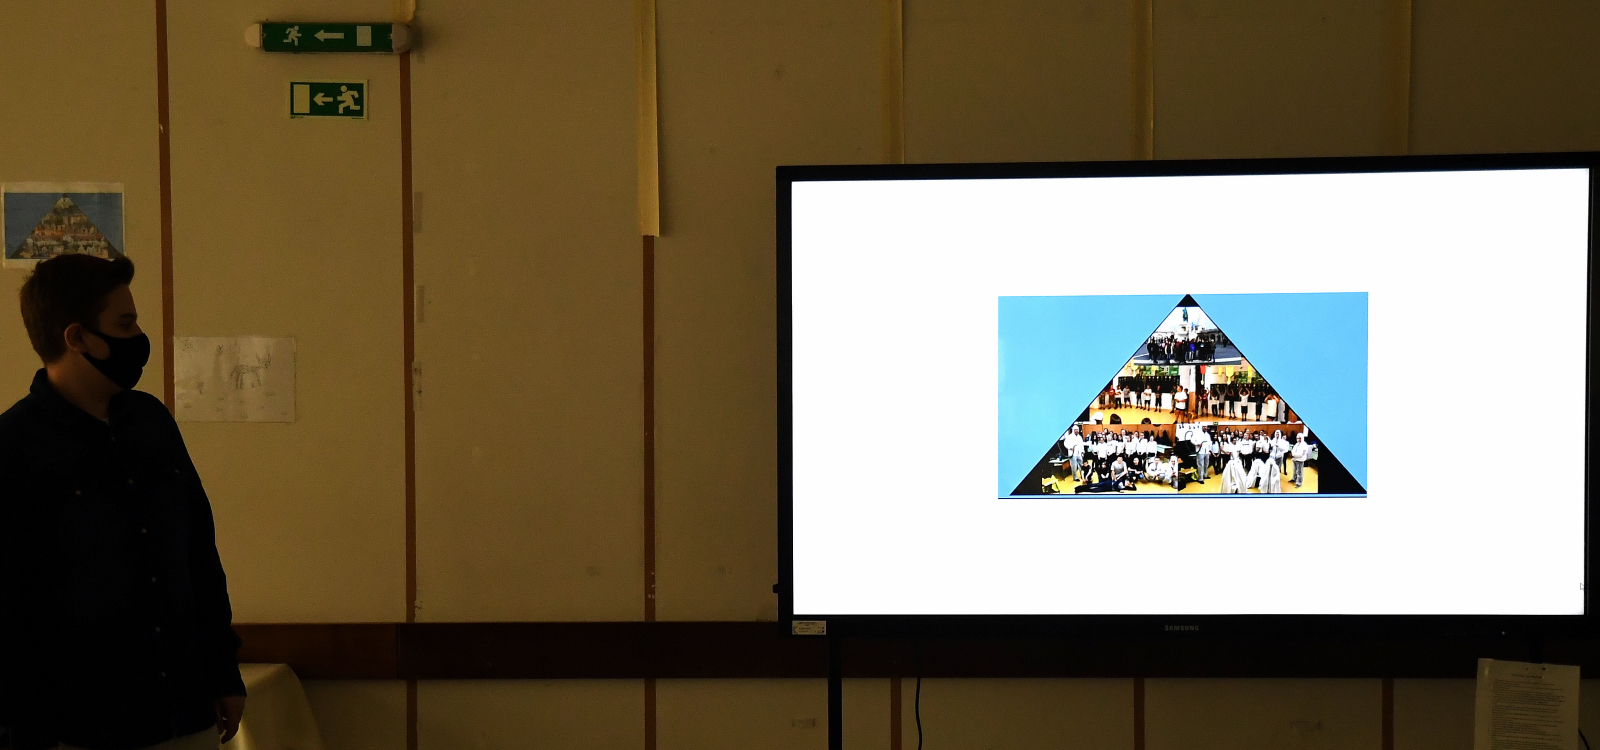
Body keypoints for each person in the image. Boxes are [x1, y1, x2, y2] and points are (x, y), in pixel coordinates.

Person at [0, 255, 247, 750]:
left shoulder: (150, 421)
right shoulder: (15, 445)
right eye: (125, 324)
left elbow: (199, 554)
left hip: (185, 710)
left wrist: (223, 672)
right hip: (81, 727)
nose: (139, 337)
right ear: (77, 337)